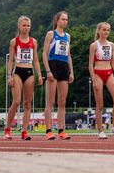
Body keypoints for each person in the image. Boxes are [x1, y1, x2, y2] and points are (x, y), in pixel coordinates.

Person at [4, 16, 43, 141]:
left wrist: (39, 74)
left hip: (29, 72)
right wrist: (9, 75)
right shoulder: (14, 41)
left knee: (27, 103)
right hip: (18, 71)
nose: (26, 28)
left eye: (28, 25)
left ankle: (24, 131)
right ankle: (8, 129)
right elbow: (10, 61)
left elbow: (36, 60)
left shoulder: (34, 42)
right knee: (16, 102)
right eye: (24, 25)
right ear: (19, 26)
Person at [42, 11, 74, 140]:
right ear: (57, 20)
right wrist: (48, 70)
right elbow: (44, 53)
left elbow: (68, 55)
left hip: (64, 66)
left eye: (66, 20)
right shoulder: (51, 34)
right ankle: (48, 130)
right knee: (51, 101)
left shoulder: (68, 36)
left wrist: (71, 71)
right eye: (62, 19)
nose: (64, 22)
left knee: (62, 101)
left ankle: (61, 130)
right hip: (53, 65)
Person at [89, 22, 114, 139]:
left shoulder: (111, 44)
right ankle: (100, 130)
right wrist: (93, 79)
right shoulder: (94, 45)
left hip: (109, 73)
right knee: (100, 104)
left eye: (108, 30)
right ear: (99, 30)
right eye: (104, 30)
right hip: (98, 73)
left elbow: (113, 61)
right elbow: (90, 64)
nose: (106, 32)